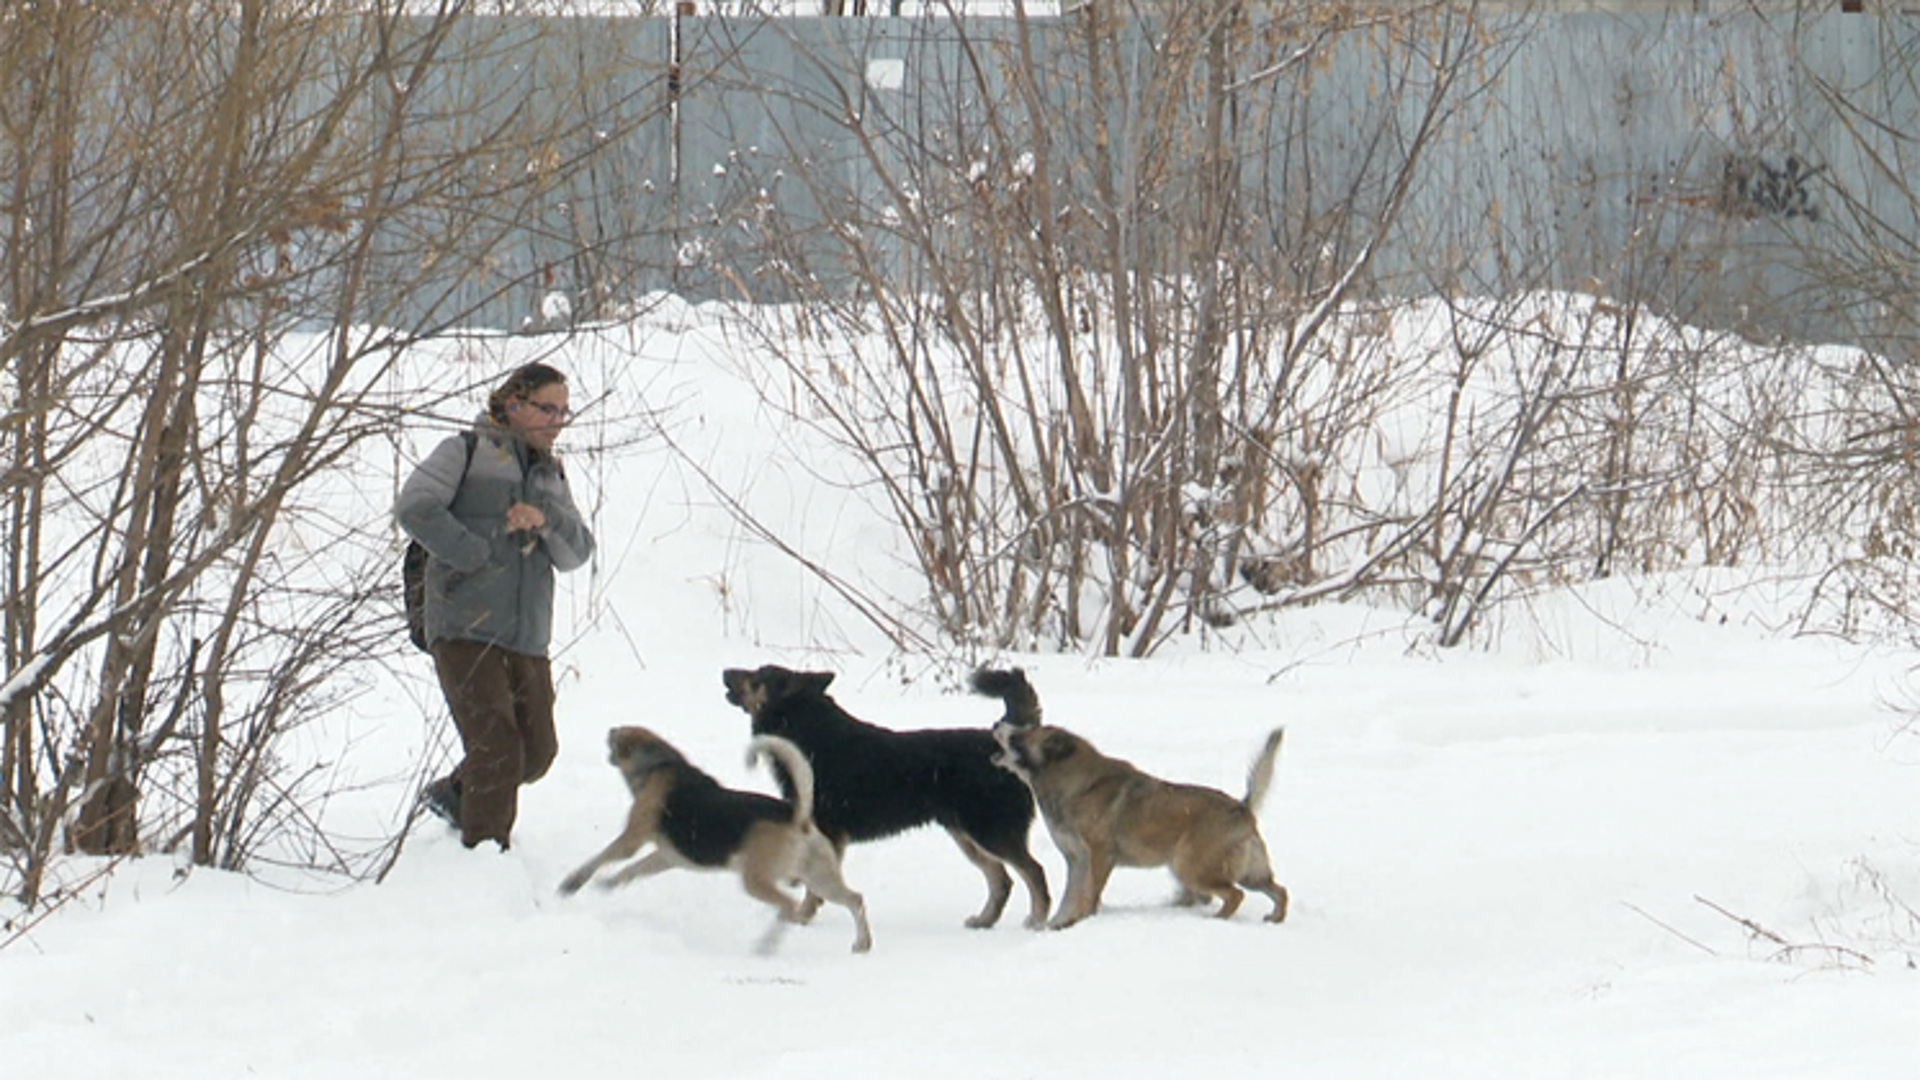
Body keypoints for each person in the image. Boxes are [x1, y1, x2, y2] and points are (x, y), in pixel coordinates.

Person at [395, 362, 595, 850]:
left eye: (564, 411)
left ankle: (454, 795)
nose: (557, 420)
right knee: (498, 750)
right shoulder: (464, 451)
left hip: (527, 634)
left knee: (536, 752)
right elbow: (415, 507)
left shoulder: (551, 472)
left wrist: (544, 519)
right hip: (464, 623)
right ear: (514, 405)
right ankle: (484, 854)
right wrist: (478, 551)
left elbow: (577, 553)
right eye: (548, 408)